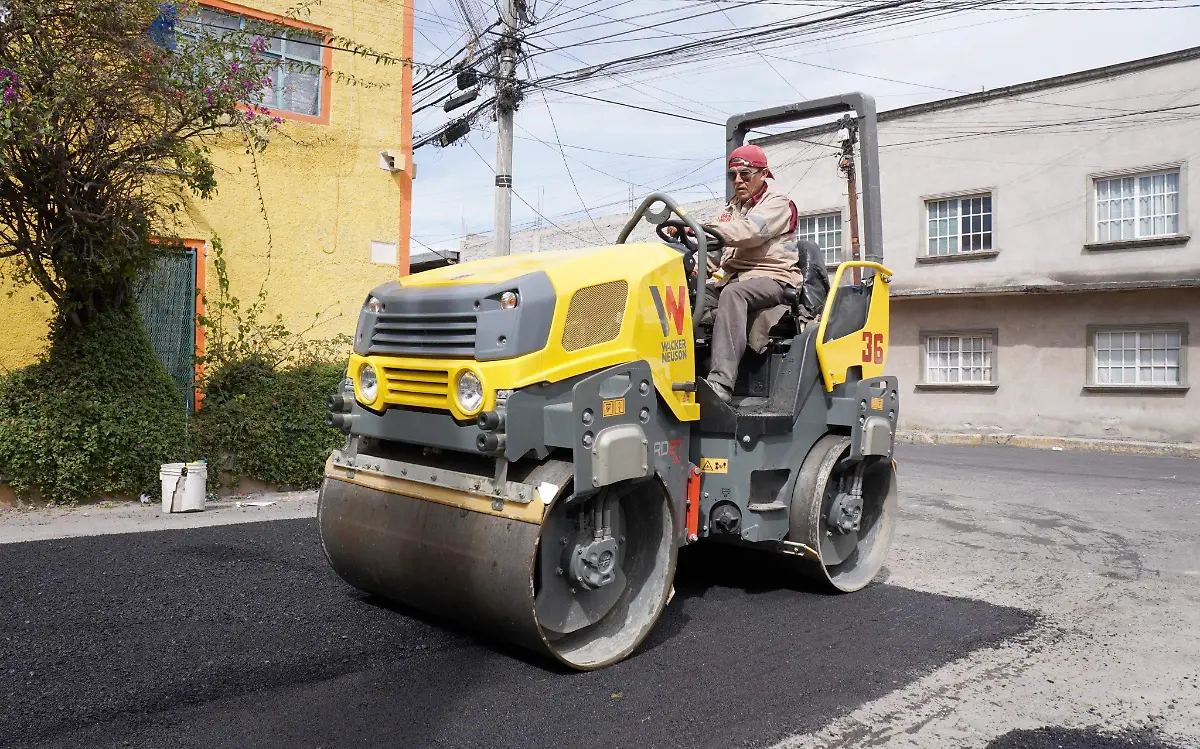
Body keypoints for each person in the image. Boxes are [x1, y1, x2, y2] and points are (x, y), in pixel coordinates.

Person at [700, 145, 802, 404]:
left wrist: (704, 230)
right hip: (732, 277)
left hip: (774, 277)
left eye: (744, 174)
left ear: (763, 173)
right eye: (732, 176)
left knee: (734, 294)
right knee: (689, 297)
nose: (738, 181)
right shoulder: (729, 210)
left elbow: (750, 232)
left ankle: (721, 382)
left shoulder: (778, 203)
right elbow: (713, 248)